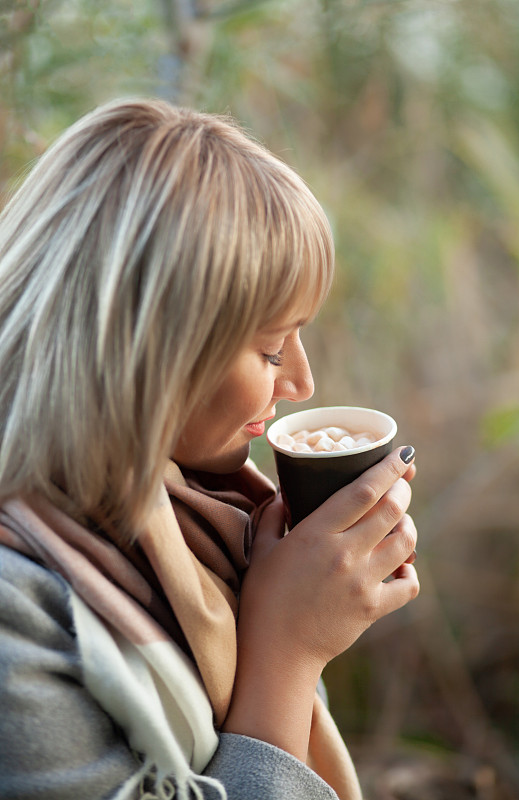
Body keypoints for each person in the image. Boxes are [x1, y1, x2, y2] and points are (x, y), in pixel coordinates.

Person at [0, 98, 419, 800]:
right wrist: (284, 656)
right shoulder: (21, 611)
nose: (301, 381)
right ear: (144, 352)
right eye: (268, 347)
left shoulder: (193, 522)